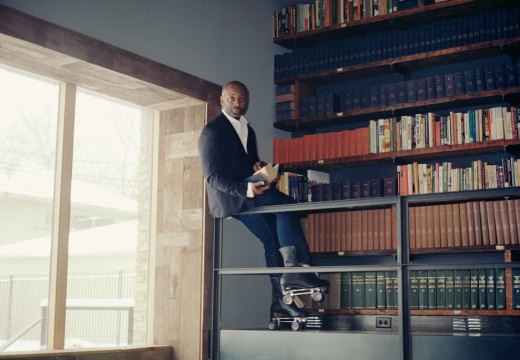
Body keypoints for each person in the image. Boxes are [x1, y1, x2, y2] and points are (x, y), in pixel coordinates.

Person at [198, 80, 329, 319]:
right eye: (233, 98)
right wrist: (247, 189)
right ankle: (295, 269)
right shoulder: (212, 132)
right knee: (286, 205)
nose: (238, 104)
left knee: (271, 241)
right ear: (222, 100)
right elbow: (213, 177)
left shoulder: (248, 129)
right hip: (233, 198)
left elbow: (247, 163)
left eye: (243, 99)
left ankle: (280, 301)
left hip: (249, 190)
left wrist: (257, 166)